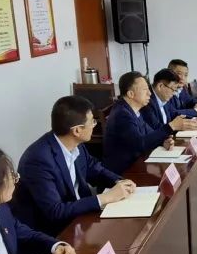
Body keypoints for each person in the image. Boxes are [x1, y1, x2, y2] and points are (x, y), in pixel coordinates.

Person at [11, 96, 137, 236]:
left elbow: (94, 168)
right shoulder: (38, 160)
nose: (94, 125)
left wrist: (119, 181)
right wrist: (105, 198)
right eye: (92, 121)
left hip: (81, 217)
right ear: (77, 130)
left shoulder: (75, 144)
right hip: (54, 232)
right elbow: (55, 211)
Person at [103, 71, 189, 175]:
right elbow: (140, 144)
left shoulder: (134, 109)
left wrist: (163, 141)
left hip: (137, 164)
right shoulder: (122, 114)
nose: (149, 93)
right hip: (123, 172)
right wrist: (171, 126)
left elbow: (149, 133)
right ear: (131, 94)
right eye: (145, 90)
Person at [140, 68, 197, 132]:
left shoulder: (163, 97)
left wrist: (193, 120)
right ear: (160, 86)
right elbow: (157, 128)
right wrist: (179, 126)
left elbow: (174, 113)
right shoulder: (147, 102)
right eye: (173, 89)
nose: (173, 93)